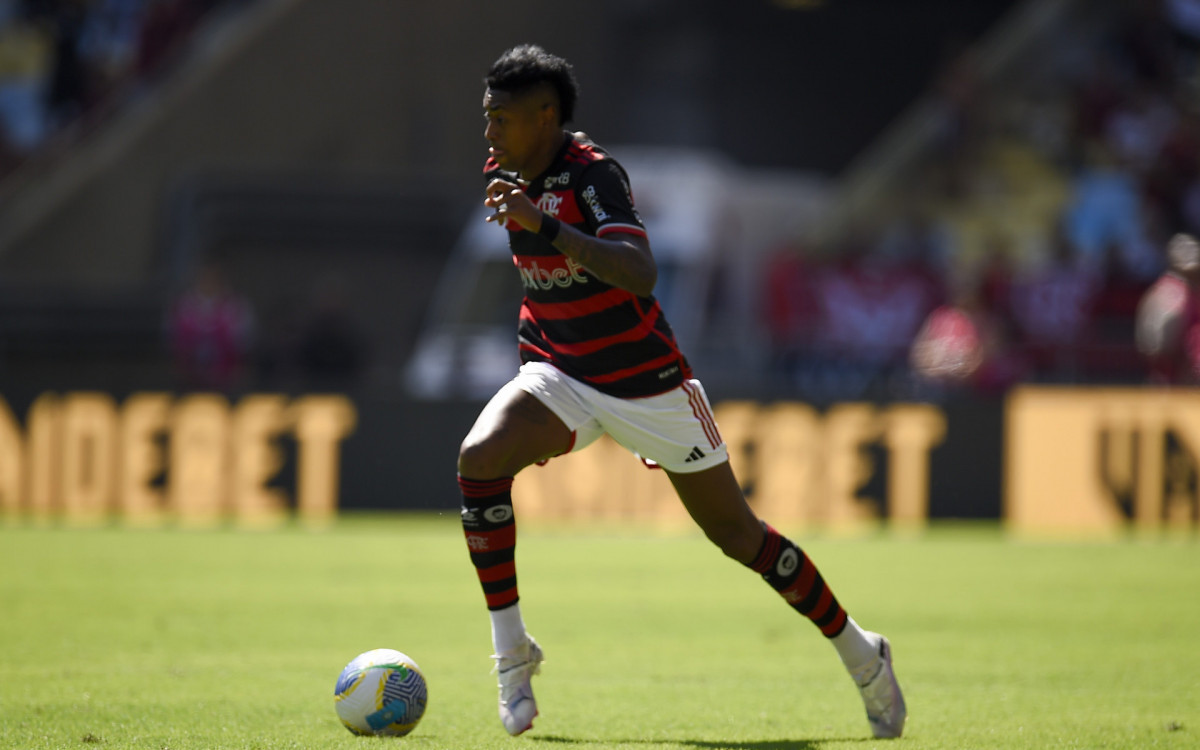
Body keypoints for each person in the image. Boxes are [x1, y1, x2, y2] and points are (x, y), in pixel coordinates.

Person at [457, 44, 906, 739]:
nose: (489, 135)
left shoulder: (594, 176)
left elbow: (639, 271)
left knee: (739, 537)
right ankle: (511, 655)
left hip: (648, 386)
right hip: (561, 373)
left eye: (502, 120)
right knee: (479, 459)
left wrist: (543, 224)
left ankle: (863, 654)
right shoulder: (505, 170)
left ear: (546, 117)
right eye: (487, 119)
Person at [1136, 232, 1200, 383]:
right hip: (1175, 380)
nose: (1190, 254)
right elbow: (1157, 343)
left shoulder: (1191, 291)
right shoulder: (1169, 291)